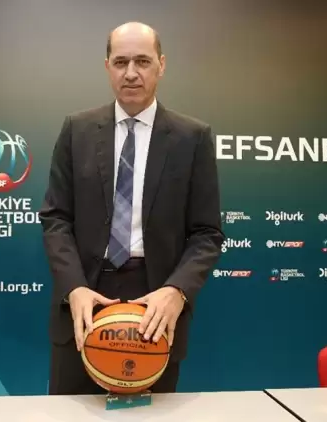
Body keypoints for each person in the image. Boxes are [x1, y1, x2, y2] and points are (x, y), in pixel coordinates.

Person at [39, 21, 224, 395]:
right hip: (85, 300)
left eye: (143, 61)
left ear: (161, 65)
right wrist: (74, 288)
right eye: (121, 62)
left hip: (155, 305)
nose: (131, 73)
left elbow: (207, 233)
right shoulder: (76, 130)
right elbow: (56, 218)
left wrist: (177, 291)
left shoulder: (192, 138)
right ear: (107, 66)